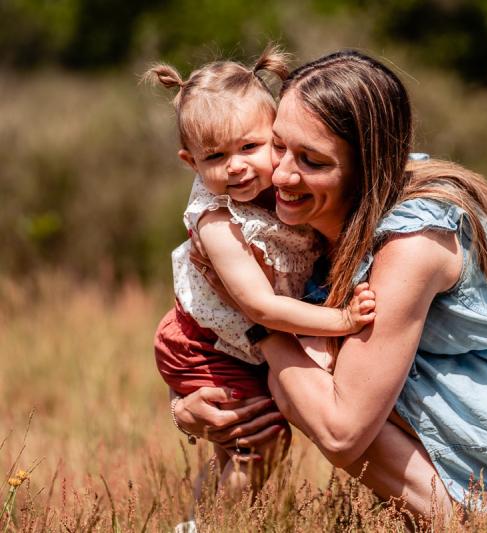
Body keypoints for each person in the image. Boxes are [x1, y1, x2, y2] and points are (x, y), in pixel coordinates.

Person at [169, 49, 487, 518]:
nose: (283, 172)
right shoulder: (287, 204)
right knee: (306, 355)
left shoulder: (412, 241)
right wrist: (185, 404)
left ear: (366, 165)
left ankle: (461, 523)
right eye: (278, 145)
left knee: (300, 376)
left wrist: (259, 326)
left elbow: (340, 432)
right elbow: (200, 309)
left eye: (312, 160)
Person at [144, 47, 377, 495]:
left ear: (276, 138)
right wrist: (342, 321)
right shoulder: (217, 221)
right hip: (204, 344)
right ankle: (214, 527)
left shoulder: (279, 188)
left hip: (239, 339)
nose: (236, 165)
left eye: (250, 147)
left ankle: (200, 518)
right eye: (214, 157)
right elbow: (259, 306)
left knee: (241, 445)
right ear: (190, 162)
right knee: (261, 439)